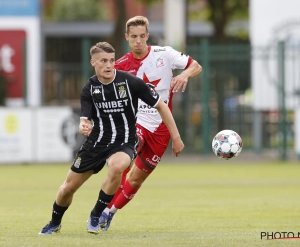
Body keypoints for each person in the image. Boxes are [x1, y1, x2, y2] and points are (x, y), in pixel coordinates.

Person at [38, 41, 184, 235]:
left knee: (117, 166)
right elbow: (84, 120)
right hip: (96, 143)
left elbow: (161, 106)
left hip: (124, 142)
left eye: (112, 60)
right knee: (67, 188)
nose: (109, 65)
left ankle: (96, 214)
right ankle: (54, 222)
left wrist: (176, 137)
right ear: (93, 62)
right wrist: (83, 126)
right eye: (103, 61)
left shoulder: (130, 82)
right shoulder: (89, 89)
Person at [98, 16, 202, 231]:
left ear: (147, 36)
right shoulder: (121, 67)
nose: (138, 41)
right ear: (127, 38)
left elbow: (196, 66)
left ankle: (109, 213)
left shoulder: (165, 54)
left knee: (136, 180)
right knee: (124, 163)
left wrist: (185, 75)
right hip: (137, 123)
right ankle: (99, 209)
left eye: (141, 36)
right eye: (133, 37)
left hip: (162, 129)